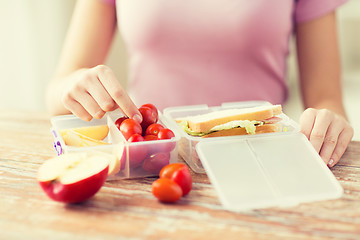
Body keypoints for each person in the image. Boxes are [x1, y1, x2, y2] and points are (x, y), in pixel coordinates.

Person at [46, 0, 354, 168]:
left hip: (259, 162)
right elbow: (57, 92)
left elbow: (327, 98)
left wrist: (329, 123)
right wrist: (74, 85)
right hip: (149, 163)